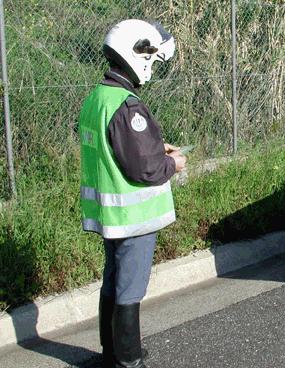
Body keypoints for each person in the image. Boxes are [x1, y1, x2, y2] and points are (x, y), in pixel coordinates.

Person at [78, 19, 186, 368]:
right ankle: (128, 361)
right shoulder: (128, 105)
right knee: (130, 290)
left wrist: (156, 147)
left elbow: (116, 147)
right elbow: (146, 169)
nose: (151, 66)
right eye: (151, 59)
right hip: (133, 218)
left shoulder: (98, 97)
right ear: (135, 54)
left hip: (109, 214)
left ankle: (113, 354)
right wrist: (175, 163)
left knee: (113, 282)